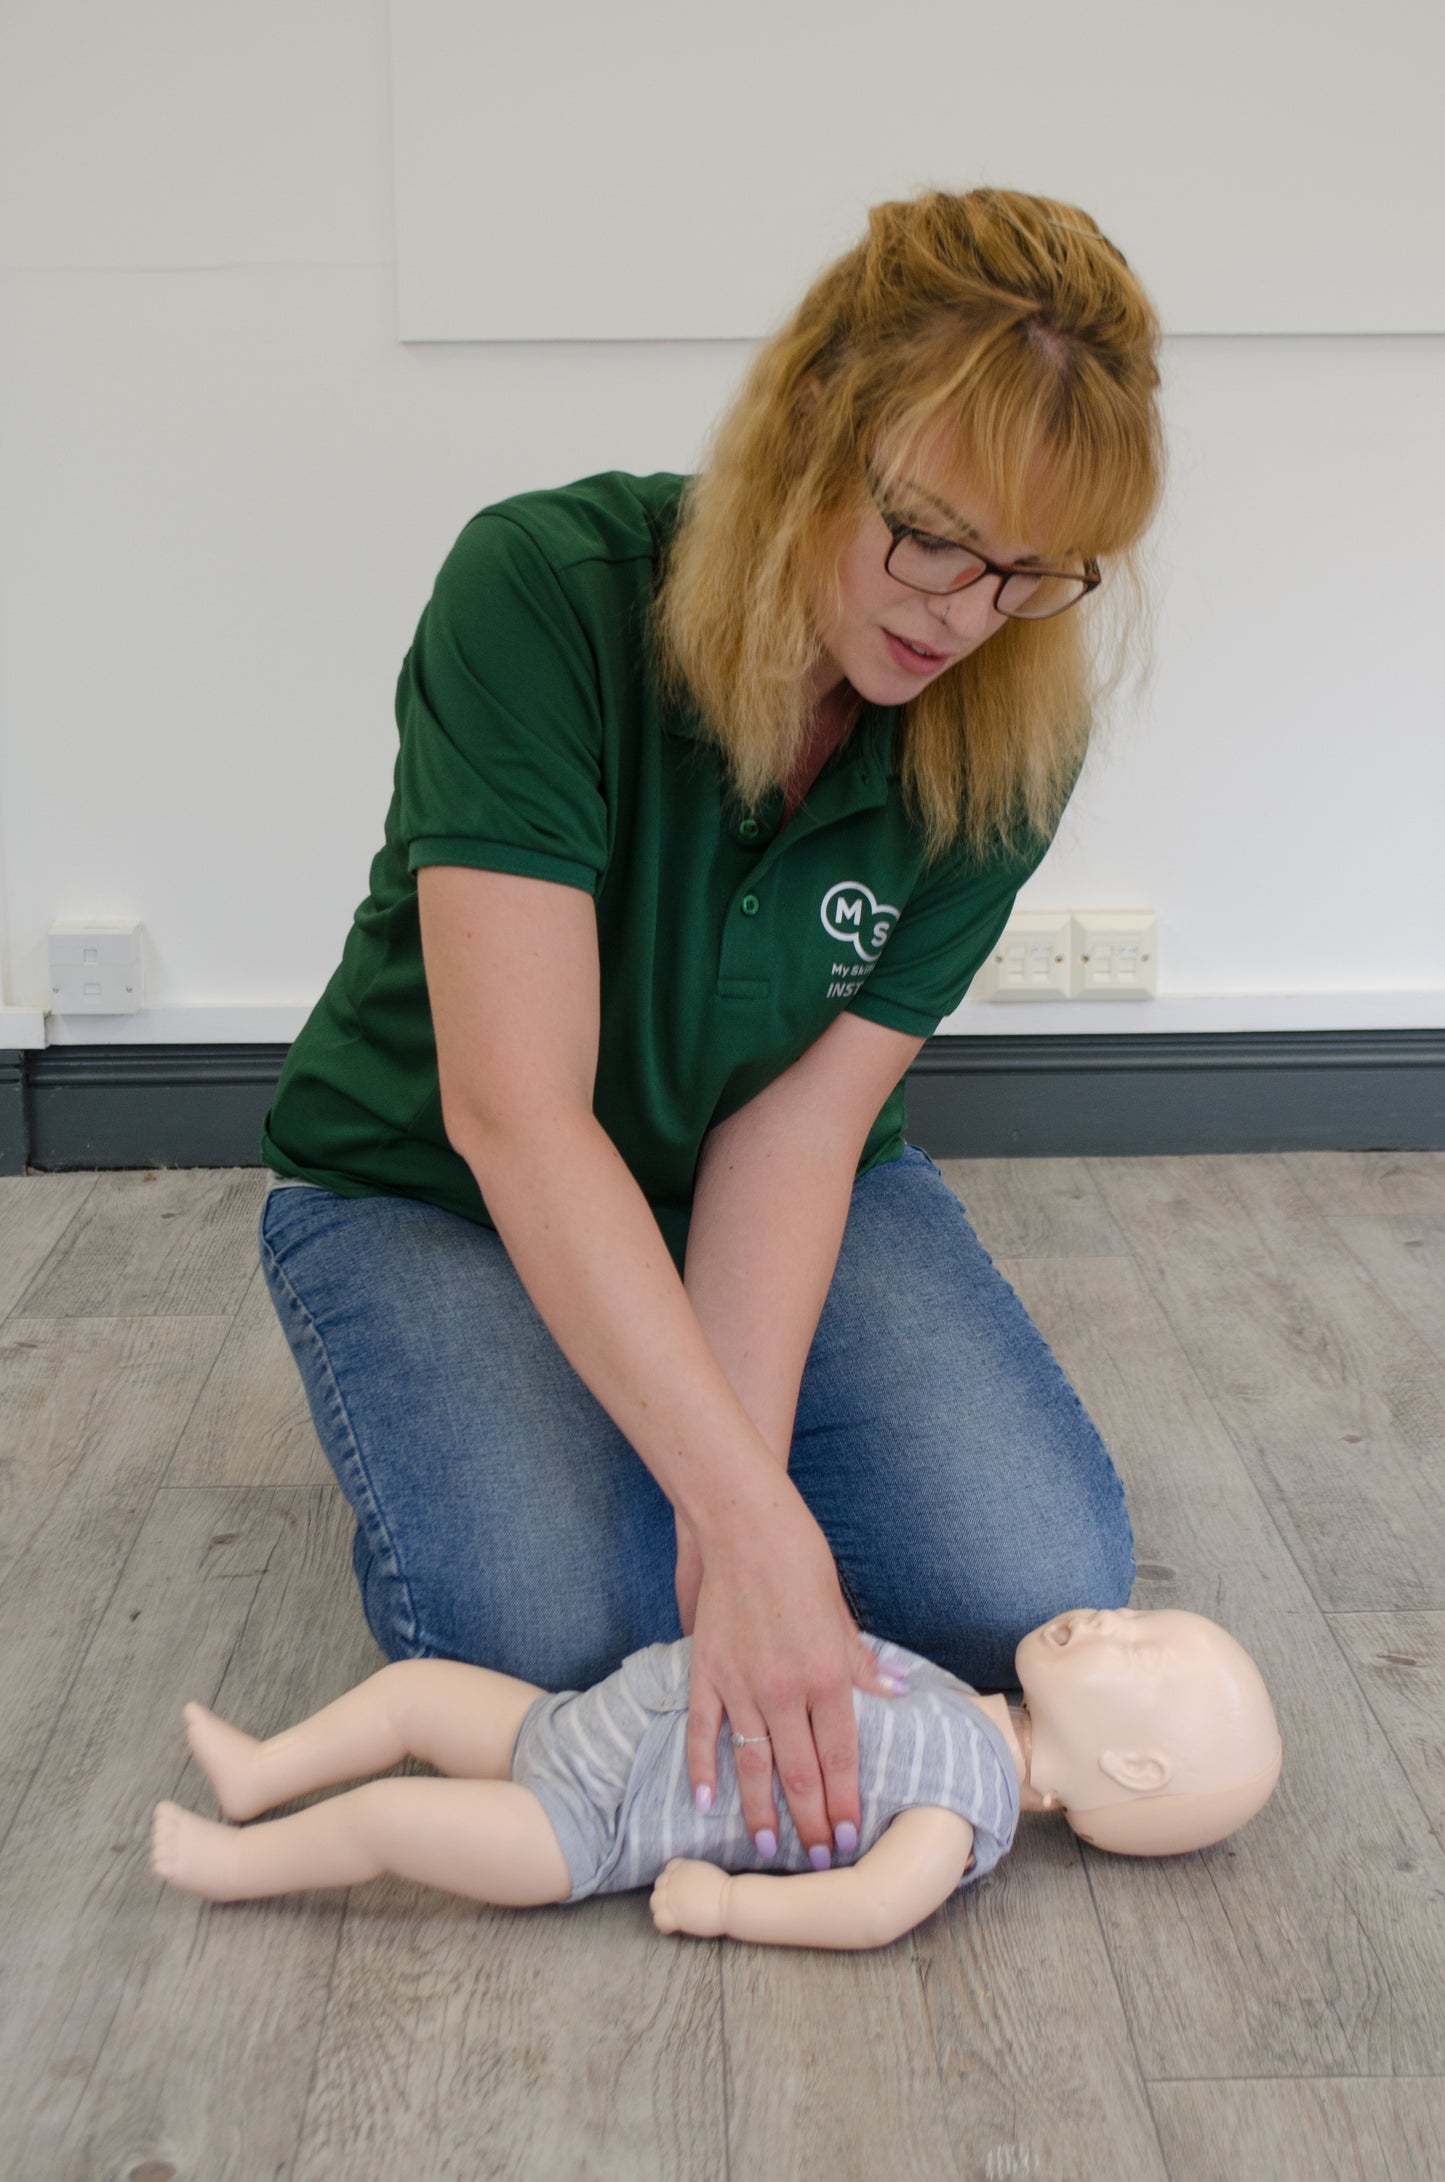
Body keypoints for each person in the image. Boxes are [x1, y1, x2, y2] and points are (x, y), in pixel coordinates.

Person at [256, 186, 1165, 1882]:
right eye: (932, 534)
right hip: (432, 1184)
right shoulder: (538, 590)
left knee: (1030, 1585)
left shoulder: (1006, 743)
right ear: (811, 416)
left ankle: (640, 1406)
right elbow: (516, 1113)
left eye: (1034, 573)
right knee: (546, 1627)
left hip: (754, 1173)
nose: (966, 611)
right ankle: (551, 1409)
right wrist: (743, 1518)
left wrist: (733, 1514)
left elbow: (797, 1134)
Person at [150, 1608, 1282, 1950]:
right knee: (414, 1690)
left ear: (1133, 1765)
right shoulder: (963, 1699)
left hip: (587, 1820)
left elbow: (877, 1906)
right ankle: (262, 1770)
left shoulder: (964, 1803)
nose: (1115, 1620)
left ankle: (240, 1861)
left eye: (1142, 1651)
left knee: (394, 1817)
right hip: (585, 1722)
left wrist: (733, 1902)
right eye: (1147, 1617)